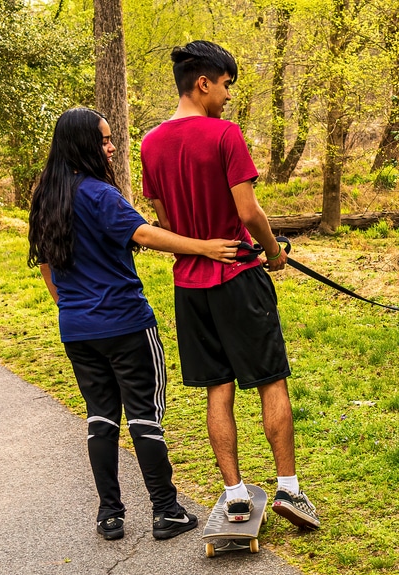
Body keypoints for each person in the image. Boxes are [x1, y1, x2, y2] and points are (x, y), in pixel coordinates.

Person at [28, 107, 241, 541]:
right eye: (104, 140)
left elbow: (45, 263)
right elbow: (145, 234)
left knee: (101, 418)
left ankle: (110, 514)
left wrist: (69, 306)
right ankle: (166, 510)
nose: (111, 147)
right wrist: (204, 247)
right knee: (145, 417)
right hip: (125, 324)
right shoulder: (99, 194)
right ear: (84, 144)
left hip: (78, 329)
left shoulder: (45, 197)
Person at [140, 40, 320, 530]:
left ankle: (236, 496)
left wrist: (196, 243)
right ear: (203, 83)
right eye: (224, 86)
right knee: (269, 380)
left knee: (217, 389)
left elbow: (165, 220)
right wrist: (275, 251)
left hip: (189, 286)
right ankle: (289, 490)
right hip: (239, 275)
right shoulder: (224, 135)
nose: (226, 97)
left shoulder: (150, 144)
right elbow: (248, 212)